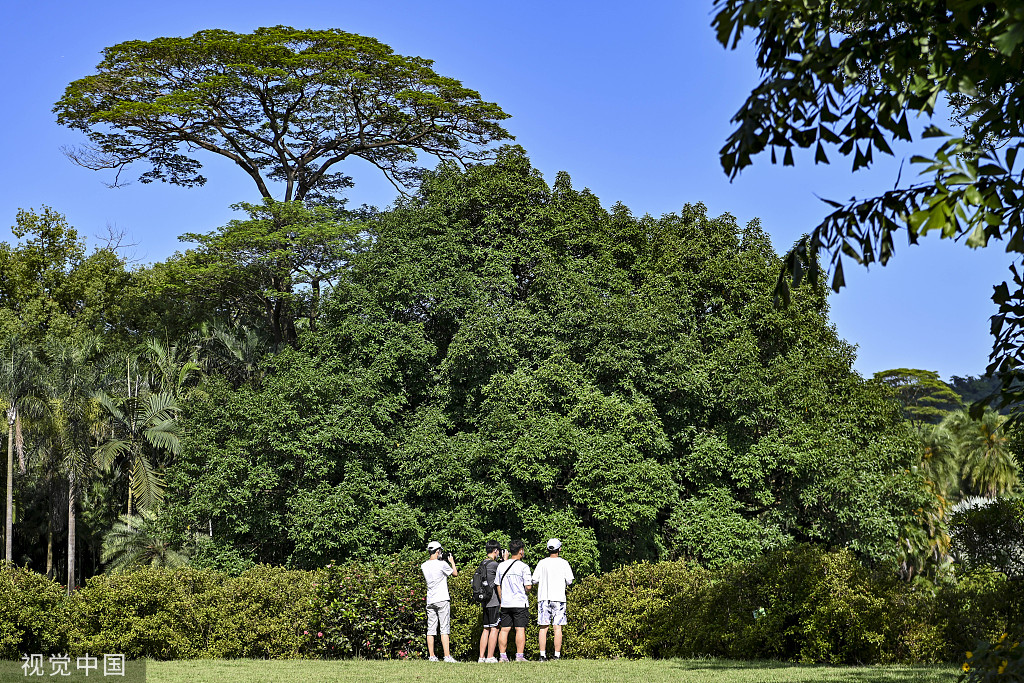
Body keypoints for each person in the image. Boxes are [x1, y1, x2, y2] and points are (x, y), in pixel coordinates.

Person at [532, 538, 574, 661]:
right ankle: (556, 655)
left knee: (543, 627)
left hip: (544, 597)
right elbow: (570, 581)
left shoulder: (542, 563)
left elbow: (534, 580)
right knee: (557, 627)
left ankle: (542, 655)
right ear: (559, 549)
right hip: (559, 598)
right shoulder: (564, 563)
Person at [495, 538, 532, 662]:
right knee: (520, 628)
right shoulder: (524, 567)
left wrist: (502, 599)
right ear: (521, 551)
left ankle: (503, 656)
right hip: (520, 602)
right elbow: (528, 586)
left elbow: (498, 585)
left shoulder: (501, 565)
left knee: (504, 629)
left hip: (505, 603)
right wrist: (527, 590)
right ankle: (519, 656)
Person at [421, 540, 458, 662]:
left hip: (430, 599)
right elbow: (455, 574)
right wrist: (451, 562)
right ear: (437, 551)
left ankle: (432, 656)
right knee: (444, 628)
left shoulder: (424, 565)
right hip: (442, 598)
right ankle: (447, 656)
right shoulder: (442, 564)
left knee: (431, 629)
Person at [476, 540, 504, 663]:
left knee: (485, 628)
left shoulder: (483, 563)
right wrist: (505, 560)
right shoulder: (494, 565)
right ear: (496, 551)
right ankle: (490, 656)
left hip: (484, 601)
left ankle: (481, 657)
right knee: (494, 628)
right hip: (493, 600)